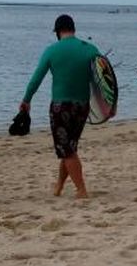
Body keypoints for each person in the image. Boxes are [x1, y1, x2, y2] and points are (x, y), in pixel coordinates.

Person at [20, 15, 100, 198]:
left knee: (67, 150)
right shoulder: (91, 50)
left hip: (60, 107)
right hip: (82, 107)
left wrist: (26, 100)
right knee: (69, 148)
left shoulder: (52, 51)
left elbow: (36, 79)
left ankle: (81, 190)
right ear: (73, 29)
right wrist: (109, 105)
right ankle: (59, 187)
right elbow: (104, 80)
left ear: (57, 31)